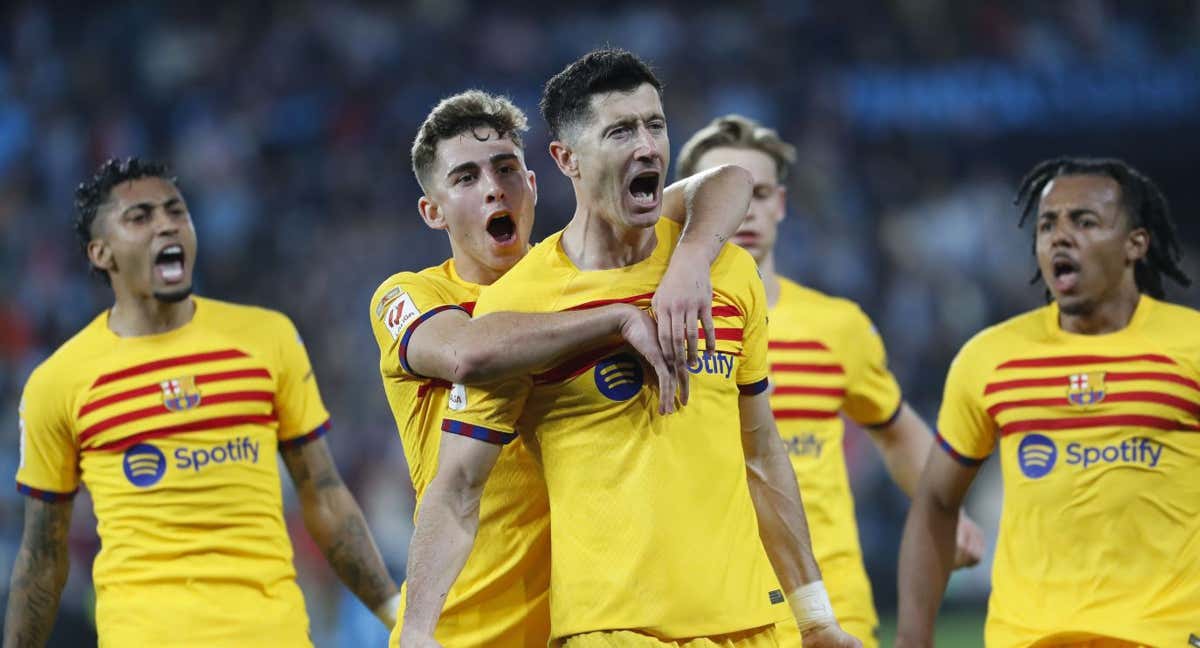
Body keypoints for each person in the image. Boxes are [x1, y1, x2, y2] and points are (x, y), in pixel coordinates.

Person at [400, 49, 861, 648]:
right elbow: (458, 487)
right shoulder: (517, 310)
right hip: (613, 630)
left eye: (656, 125)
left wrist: (816, 616)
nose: (647, 146)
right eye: (620, 131)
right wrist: (415, 631)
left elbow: (761, 453)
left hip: (751, 626)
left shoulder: (725, 269)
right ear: (566, 159)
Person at [369, 90, 754, 647]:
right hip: (458, 625)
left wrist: (692, 256)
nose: (493, 188)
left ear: (532, 183)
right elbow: (467, 354)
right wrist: (614, 320)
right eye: (466, 178)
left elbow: (727, 184)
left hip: (571, 624)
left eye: (505, 170)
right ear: (433, 212)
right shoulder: (409, 295)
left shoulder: (573, 274)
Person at [5, 158, 400, 647]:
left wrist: (397, 613)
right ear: (101, 252)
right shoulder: (57, 382)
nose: (167, 224)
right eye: (140, 217)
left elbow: (323, 494)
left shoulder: (267, 338)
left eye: (176, 211)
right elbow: (43, 556)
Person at [675, 115, 985, 648]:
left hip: (832, 598)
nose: (744, 209)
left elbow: (895, 427)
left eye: (760, 192)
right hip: (711, 603)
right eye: (724, 195)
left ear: (782, 204)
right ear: (688, 210)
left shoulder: (836, 325)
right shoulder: (666, 322)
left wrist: (943, 510)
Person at [896, 157, 1198, 647]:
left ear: (1135, 244)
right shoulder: (989, 358)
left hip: (1163, 636)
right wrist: (912, 639)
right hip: (1031, 639)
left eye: (1084, 221)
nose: (1060, 236)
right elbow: (935, 500)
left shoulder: (1191, 346)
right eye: (1047, 225)